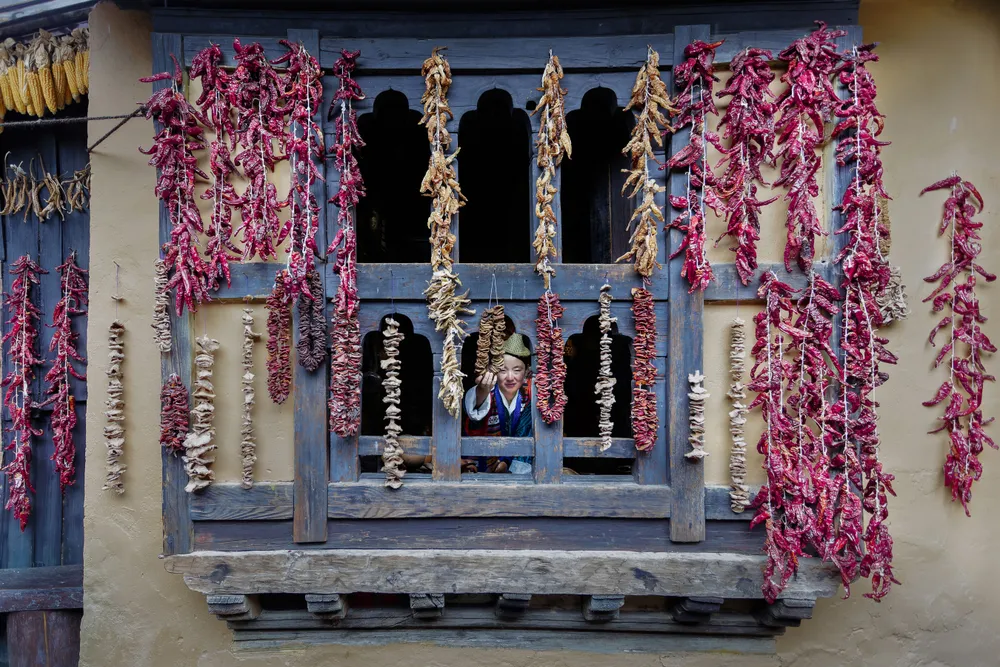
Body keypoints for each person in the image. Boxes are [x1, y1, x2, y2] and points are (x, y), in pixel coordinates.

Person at [463, 333, 533, 474]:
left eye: (517, 370)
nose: (510, 377)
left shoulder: (527, 398)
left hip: (511, 470)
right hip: (478, 469)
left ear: (526, 373)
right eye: (502, 370)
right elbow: (476, 404)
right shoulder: (488, 394)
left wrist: (506, 462)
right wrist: (482, 390)